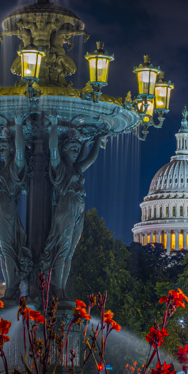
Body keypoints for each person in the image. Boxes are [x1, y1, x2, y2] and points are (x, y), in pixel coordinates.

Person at [41, 115, 106, 298]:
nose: (76, 151)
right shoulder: (59, 167)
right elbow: (53, 148)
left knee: (70, 251)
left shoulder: (77, 169)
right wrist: (54, 125)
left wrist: (98, 139)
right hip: (67, 206)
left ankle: (61, 286)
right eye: (73, 148)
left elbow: (91, 159)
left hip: (78, 208)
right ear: (64, 149)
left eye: (78, 149)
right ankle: (55, 288)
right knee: (62, 248)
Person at [0, 115, 31, 299]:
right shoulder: (0, 167)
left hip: (5, 208)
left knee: (8, 247)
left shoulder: (16, 165)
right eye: (0, 146)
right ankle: (11, 284)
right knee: (1, 249)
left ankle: (12, 286)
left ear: (12, 148)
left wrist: (18, 124)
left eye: (4, 146)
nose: (1, 149)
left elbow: (20, 150)